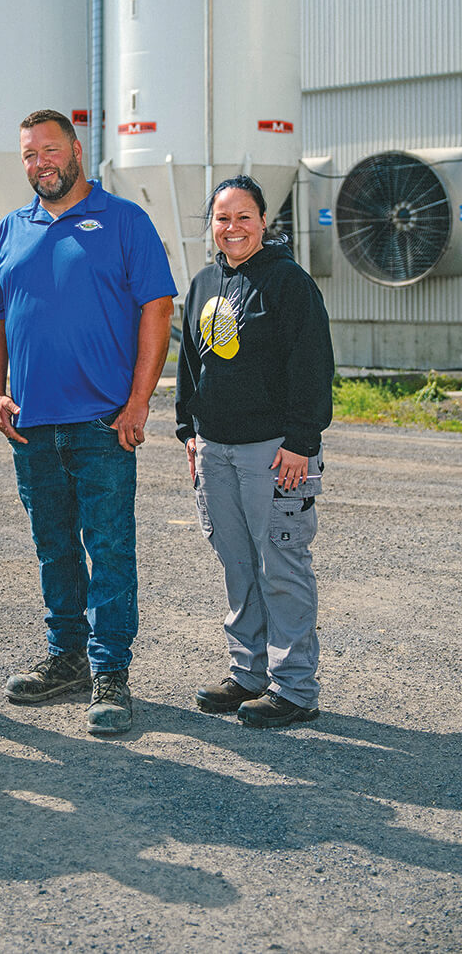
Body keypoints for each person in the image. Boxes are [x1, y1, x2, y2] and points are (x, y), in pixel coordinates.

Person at [0, 109, 176, 736]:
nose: (41, 163)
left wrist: (140, 400)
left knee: (110, 548)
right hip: (31, 426)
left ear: (76, 151)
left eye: (50, 150)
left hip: (102, 423)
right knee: (53, 547)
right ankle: (65, 660)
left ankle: (110, 670)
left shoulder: (124, 221)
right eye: (30, 153)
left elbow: (157, 310)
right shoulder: (10, 230)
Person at [175, 174, 334, 729]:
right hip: (215, 449)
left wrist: (300, 443)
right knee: (238, 565)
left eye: (245, 216)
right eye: (223, 217)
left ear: (264, 222)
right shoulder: (201, 284)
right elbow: (190, 365)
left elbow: (312, 368)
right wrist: (187, 432)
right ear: (211, 226)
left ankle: (294, 687)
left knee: (282, 566)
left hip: (273, 452)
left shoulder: (289, 284)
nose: (233, 227)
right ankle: (248, 673)